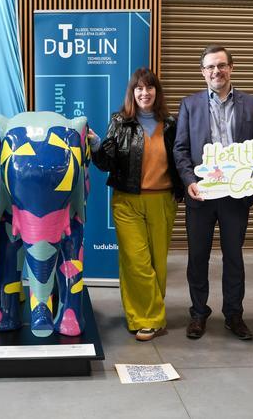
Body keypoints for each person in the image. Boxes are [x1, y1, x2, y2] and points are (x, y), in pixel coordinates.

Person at [173, 44, 253, 341]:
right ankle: (198, 313)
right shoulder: (190, 104)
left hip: (236, 197)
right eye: (211, 67)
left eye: (222, 65)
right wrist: (189, 180)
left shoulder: (251, 104)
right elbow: (181, 149)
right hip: (201, 196)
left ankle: (234, 314)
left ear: (231, 68)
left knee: (234, 257)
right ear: (203, 72)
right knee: (197, 257)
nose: (217, 71)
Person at [88, 68, 184, 342]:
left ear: (157, 92)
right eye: (139, 88)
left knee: (157, 265)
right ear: (132, 93)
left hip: (163, 201)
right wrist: (96, 145)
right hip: (127, 201)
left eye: (150, 88)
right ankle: (149, 318)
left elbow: (181, 159)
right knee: (136, 262)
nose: (145, 93)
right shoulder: (119, 122)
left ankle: (141, 314)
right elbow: (106, 162)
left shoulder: (171, 124)